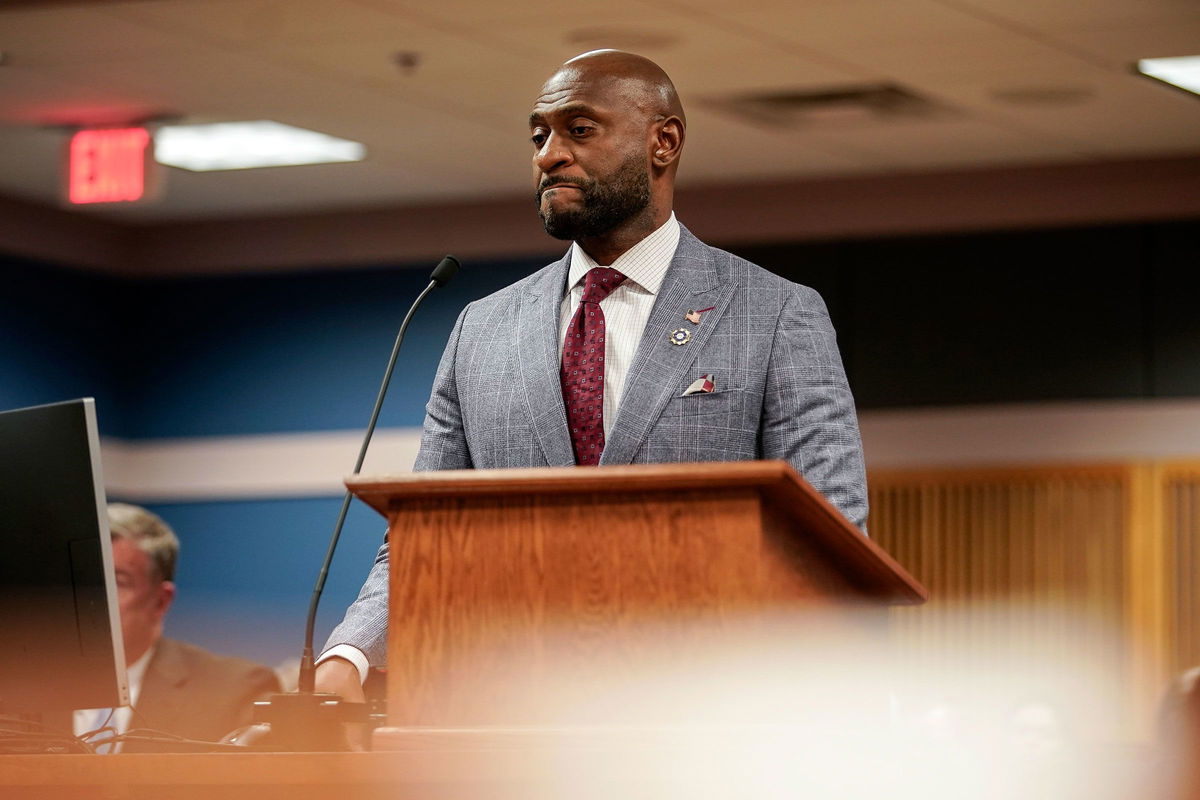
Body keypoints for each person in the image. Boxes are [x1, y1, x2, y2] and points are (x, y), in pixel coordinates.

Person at [314, 50, 868, 703]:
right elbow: (424, 535)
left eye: (579, 130)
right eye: (538, 135)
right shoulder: (481, 329)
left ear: (664, 142)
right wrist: (349, 655)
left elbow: (832, 528)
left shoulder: (775, 314)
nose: (549, 155)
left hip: (712, 713)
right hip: (511, 715)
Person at [74, 503, 279, 752]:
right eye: (83, 580)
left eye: (117, 582)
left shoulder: (234, 690)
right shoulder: (19, 690)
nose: (92, 599)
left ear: (161, 601)